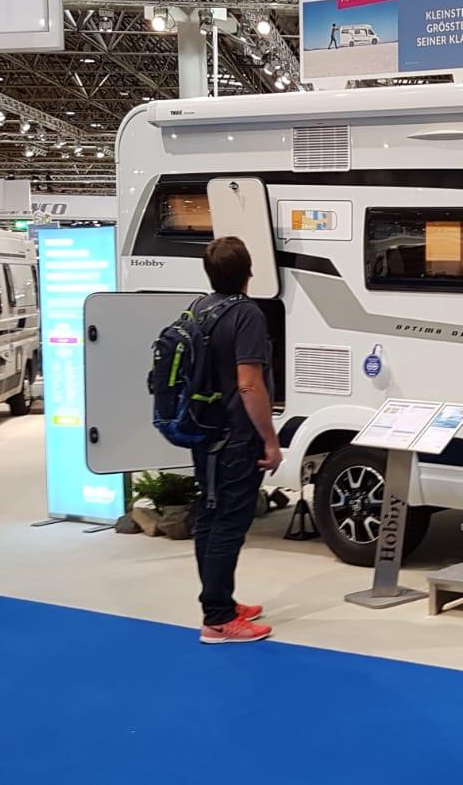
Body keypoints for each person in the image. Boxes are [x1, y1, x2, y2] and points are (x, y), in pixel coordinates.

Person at [192, 236, 282, 645]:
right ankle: (218, 619)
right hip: (236, 438)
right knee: (229, 523)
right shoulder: (246, 314)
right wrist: (270, 440)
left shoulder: (199, 308)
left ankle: (219, 602)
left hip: (206, 432)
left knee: (210, 518)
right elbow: (249, 384)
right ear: (249, 271)